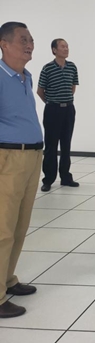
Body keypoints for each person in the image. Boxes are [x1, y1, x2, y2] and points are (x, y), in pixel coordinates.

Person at [0, 22, 43, 318]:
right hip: (9, 158)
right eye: (23, 40)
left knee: (20, 225)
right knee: (3, 228)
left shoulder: (25, 77)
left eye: (31, 40)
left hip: (32, 156)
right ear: (4, 44)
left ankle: (7, 279)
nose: (29, 45)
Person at [37, 38, 79, 192]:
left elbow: (73, 87)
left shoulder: (72, 67)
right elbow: (40, 91)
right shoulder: (47, 68)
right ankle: (48, 179)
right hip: (52, 110)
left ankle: (66, 177)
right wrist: (51, 102)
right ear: (54, 50)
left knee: (66, 144)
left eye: (67, 46)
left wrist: (64, 101)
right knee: (51, 146)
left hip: (68, 109)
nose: (66, 49)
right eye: (62, 46)